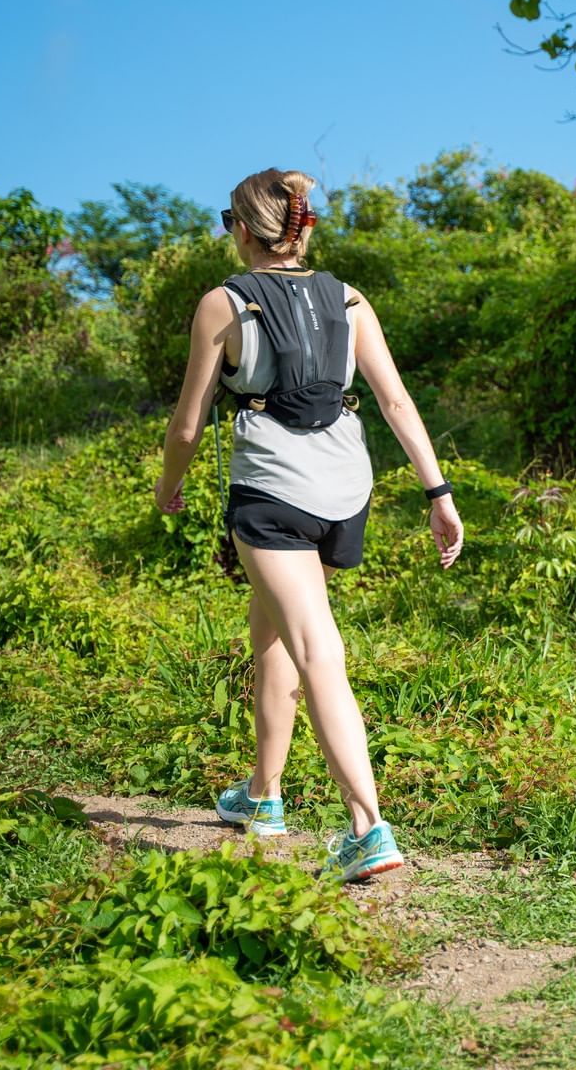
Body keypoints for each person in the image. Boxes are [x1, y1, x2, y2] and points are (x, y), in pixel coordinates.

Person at [153, 167, 463, 883]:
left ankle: (367, 827)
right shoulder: (349, 299)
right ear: (298, 227)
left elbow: (189, 422)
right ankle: (262, 796)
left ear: (241, 228)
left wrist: (168, 488)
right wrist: (437, 492)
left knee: (316, 647)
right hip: (345, 490)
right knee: (274, 635)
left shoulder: (223, 304)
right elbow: (396, 403)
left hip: (272, 494)